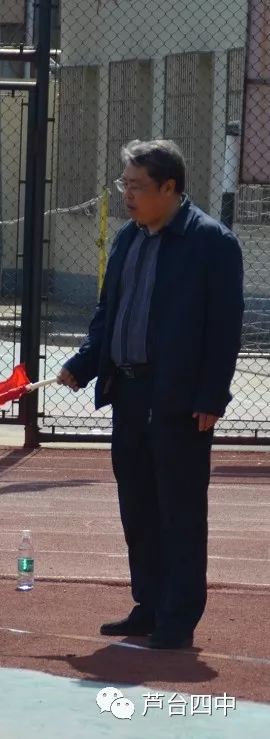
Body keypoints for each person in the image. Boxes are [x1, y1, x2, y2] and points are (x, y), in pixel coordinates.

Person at [58, 139, 244, 650]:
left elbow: (224, 330)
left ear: (170, 188)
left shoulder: (213, 244)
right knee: (137, 503)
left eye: (137, 187)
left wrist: (211, 396)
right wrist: (85, 364)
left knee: (179, 508)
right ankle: (149, 603)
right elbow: (108, 316)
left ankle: (178, 617)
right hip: (129, 394)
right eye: (125, 185)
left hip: (181, 401)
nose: (128, 196)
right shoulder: (127, 240)